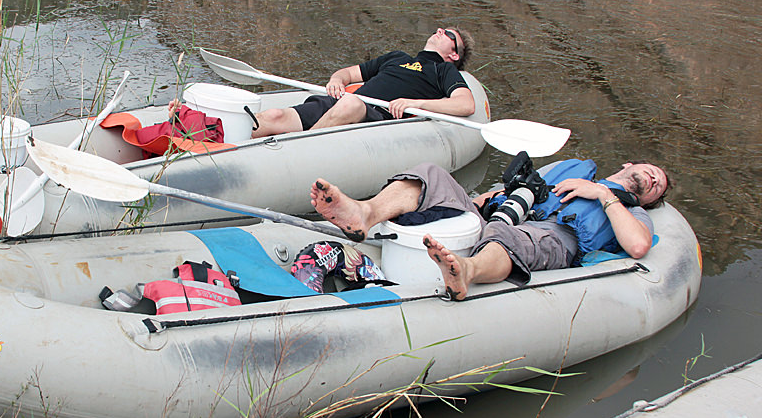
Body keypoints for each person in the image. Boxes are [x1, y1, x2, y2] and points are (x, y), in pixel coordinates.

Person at [309, 158, 670, 300]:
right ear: (630, 164)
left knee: (509, 235)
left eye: (658, 185)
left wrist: (604, 195)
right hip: (503, 215)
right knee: (432, 174)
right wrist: (486, 200)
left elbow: (638, 246)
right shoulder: (574, 170)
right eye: (653, 171)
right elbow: (519, 191)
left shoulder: (632, 211)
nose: (654, 179)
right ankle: (364, 213)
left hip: (552, 236)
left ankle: (466, 271)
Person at [250, 27, 476, 138]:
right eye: (440, 29)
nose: (440, 31)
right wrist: (336, 79)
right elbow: (348, 74)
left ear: (454, 54)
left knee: (351, 104)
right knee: (274, 116)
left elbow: (465, 104)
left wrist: (415, 103)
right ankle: (229, 140)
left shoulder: (443, 70)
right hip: (340, 103)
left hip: (374, 116)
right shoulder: (397, 57)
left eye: (448, 34)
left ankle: (296, 147)